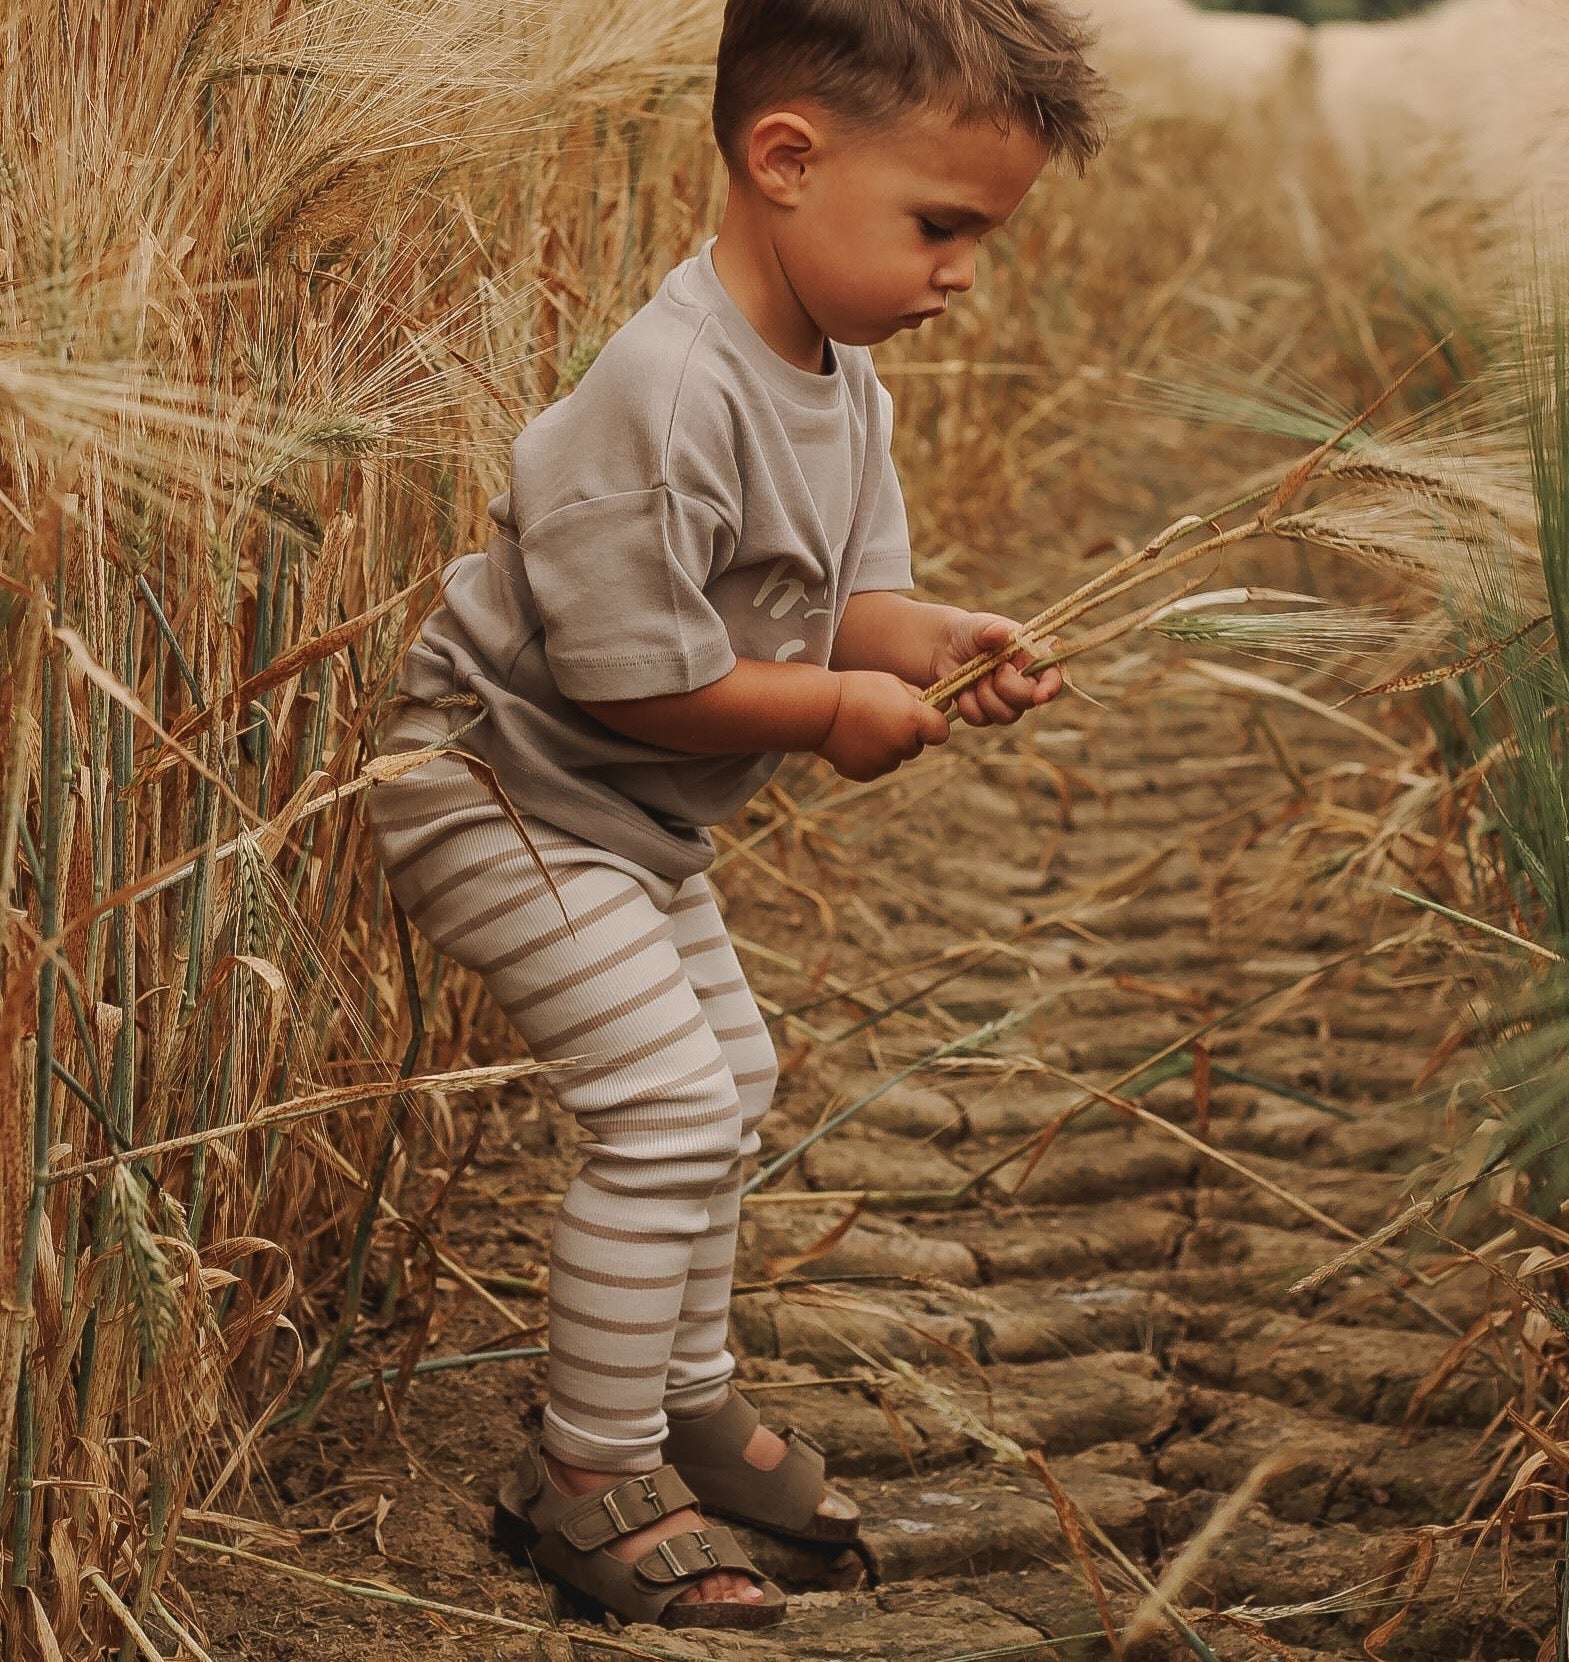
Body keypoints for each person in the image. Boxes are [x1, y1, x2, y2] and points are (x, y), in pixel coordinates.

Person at [366, 0, 1110, 1630]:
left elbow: (846, 607)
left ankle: (679, 1394)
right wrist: (838, 713)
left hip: (619, 814)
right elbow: (637, 679)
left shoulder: (845, 386)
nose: (960, 274)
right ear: (785, 159)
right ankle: (580, 1472)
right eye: (941, 226)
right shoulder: (666, 387)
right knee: (664, 1104)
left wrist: (939, 644)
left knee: (735, 1078)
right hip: (500, 792)